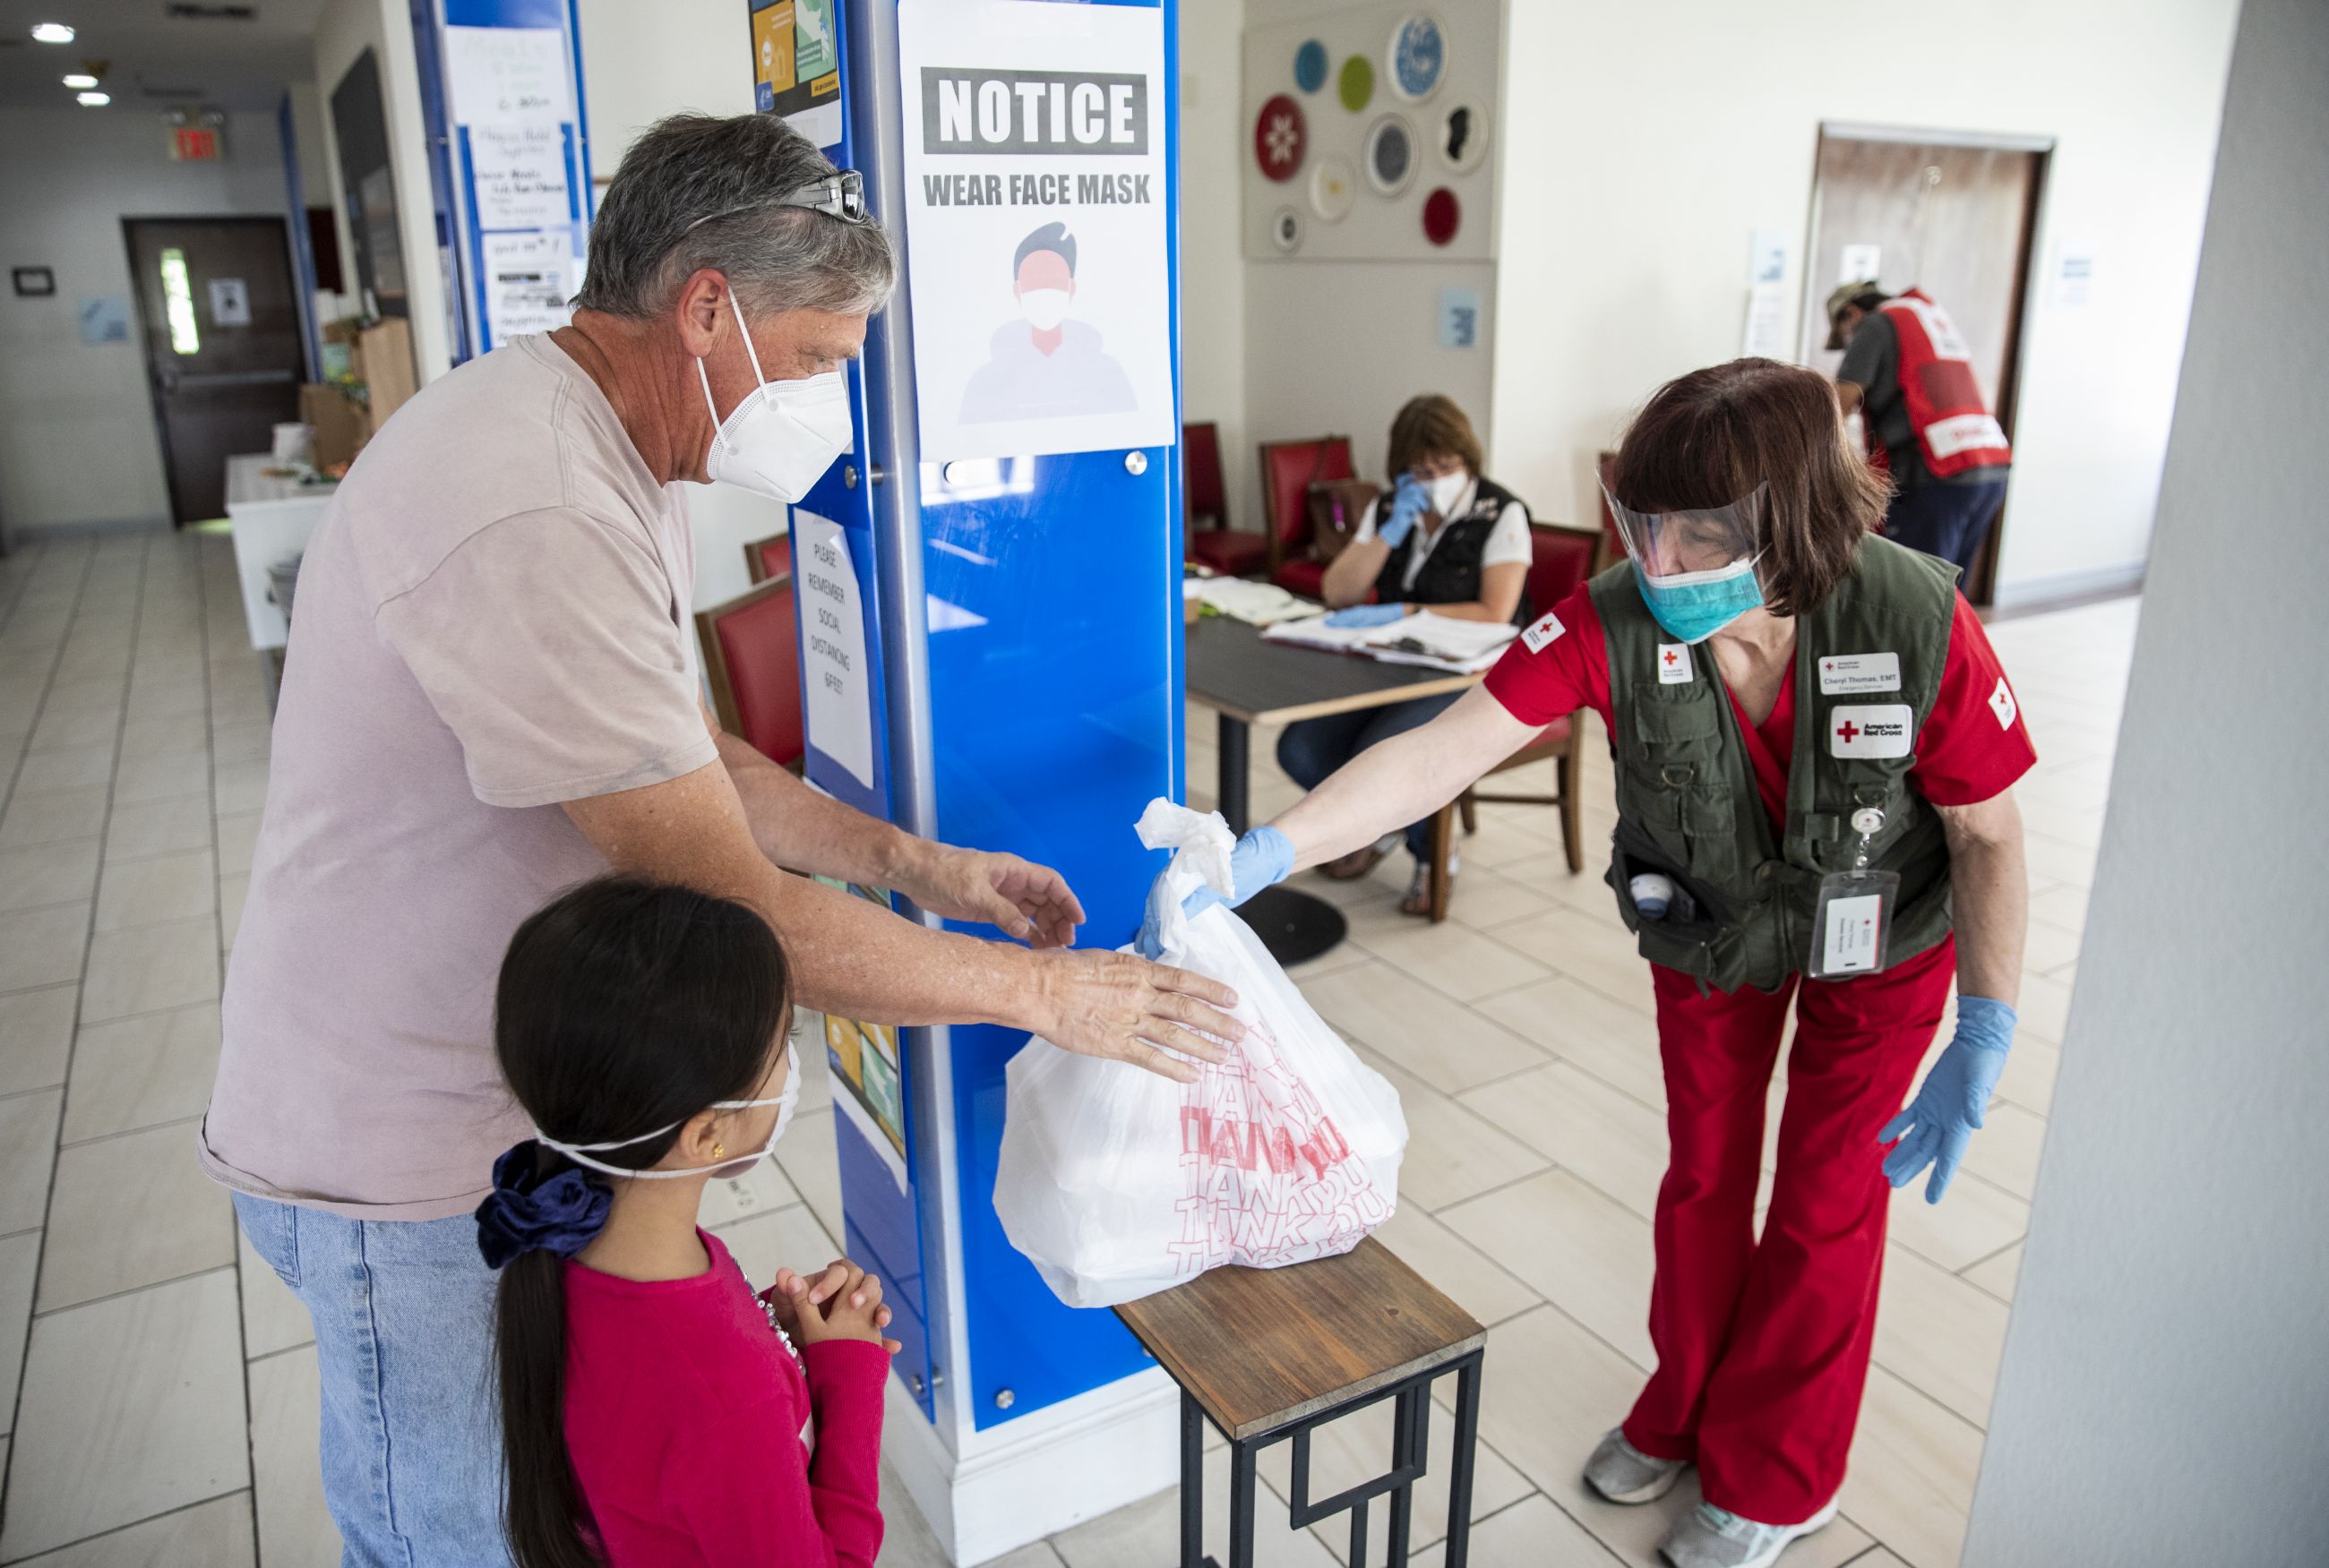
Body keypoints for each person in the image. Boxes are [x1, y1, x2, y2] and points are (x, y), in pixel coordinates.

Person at [207, 112, 1242, 1566]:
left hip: (513, 1100)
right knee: (459, 1537)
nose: (827, 397)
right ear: (706, 309)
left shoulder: (575, 439)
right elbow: (726, 895)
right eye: (819, 357)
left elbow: (689, 766)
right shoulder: (533, 499)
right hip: (401, 1148)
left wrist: (917, 865)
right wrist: (1054, 997)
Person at [1149, 360, 2035, 1568]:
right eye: (1643, 524)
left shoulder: (1918, 616)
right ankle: (1682, 1409)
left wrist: (1987, 1018)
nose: (1660, 563)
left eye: (1698, 535)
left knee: (1829, 1197)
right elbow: (1441, 752)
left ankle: (1779, 1473)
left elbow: (1988, 828)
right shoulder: (1615, 614)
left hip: (1879, 946)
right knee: (1704, 1174)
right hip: (1711, 931)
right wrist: (1263, 849)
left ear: (1790, 524)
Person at [481, 876, 893, 1568]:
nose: (790, 1068)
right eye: (780, 1047)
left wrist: (773, 1333)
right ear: (706, 1136)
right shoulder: (726, 1400)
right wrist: (850, 1375)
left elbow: (654, 1422)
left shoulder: (576, 1247)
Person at [1279, 393, 1533, 914]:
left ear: (1468, 461)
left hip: (1466, 675)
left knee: (1386, 750)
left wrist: (1408, 612)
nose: (1436, 477)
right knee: (1300, 747)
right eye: (1422, 469)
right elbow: (1339, 592)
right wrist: (1386, 535)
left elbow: (1497, 611)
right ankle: (1379, 823)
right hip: (1391, 666)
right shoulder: (1392, 507)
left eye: (1447, 466)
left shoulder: (1500, 510)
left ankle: (1432, 851)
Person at [1826, 280, 2014, 577]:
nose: (1849, 343)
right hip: (1990, 464)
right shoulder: (1925, 316)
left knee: (1919, 586)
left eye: (1844, 336)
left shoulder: (1875, 324)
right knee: (1948, 590)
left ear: (1850, 313)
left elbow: (1838, 406)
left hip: (1938, 472)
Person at [959, 221, 1138, 422]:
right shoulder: (986, 382)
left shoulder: (1107, 375)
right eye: (1034, 282)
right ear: (1017, 291)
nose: (1044, 291)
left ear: (1072, 288)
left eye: (1054, 280)